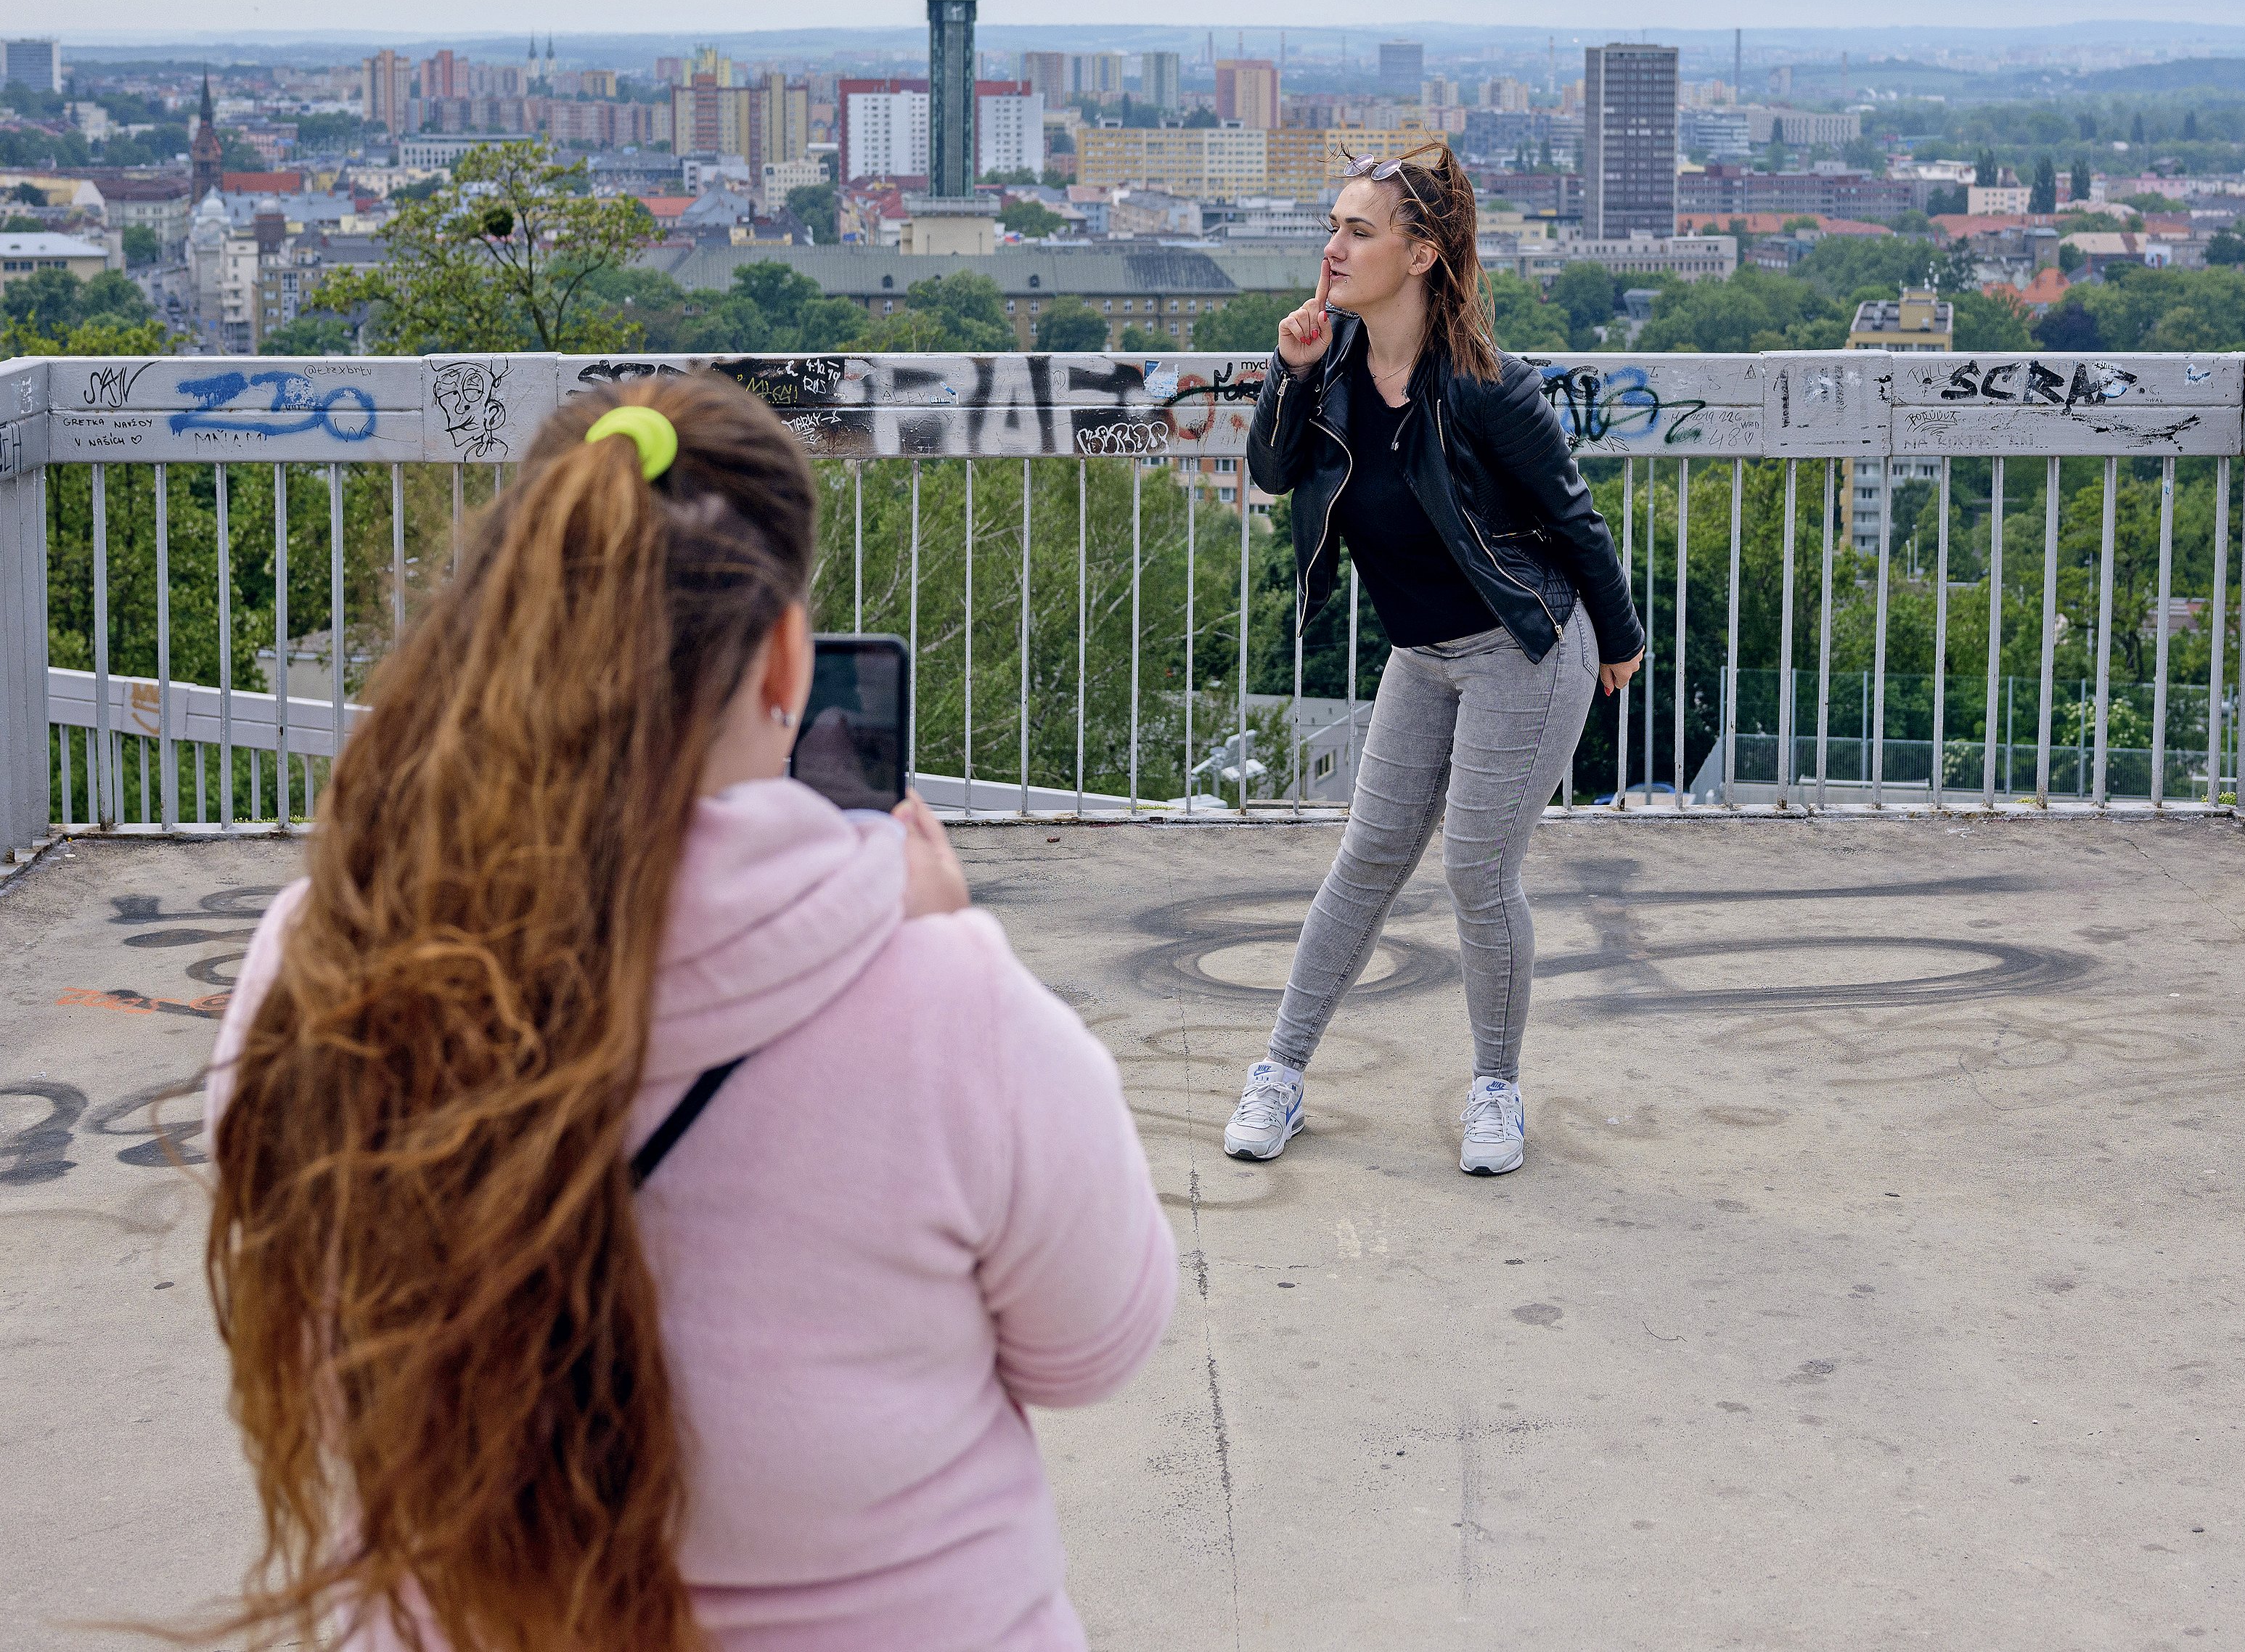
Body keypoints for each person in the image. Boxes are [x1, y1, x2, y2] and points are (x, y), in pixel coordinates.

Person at [203, 374, 1174, 1652]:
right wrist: (937, 945)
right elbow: (1096, 1346)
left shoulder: (318, 963)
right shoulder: (953, 1006)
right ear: (786, 654)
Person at [1223, 142, 1645, 1178]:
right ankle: (1279, 1074)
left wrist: (1622, 645)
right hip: (1421, 653)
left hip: (1525, 646)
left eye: (1357, 232)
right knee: (1365, 863)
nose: (1332, 249)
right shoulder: (1333, 372)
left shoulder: (1488, 390)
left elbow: (1575, 522)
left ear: (1420, 256)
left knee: (1475, 870)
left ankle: (1495, 1089)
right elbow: (1274, 475)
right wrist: (1291, 368)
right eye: (1333, 226)